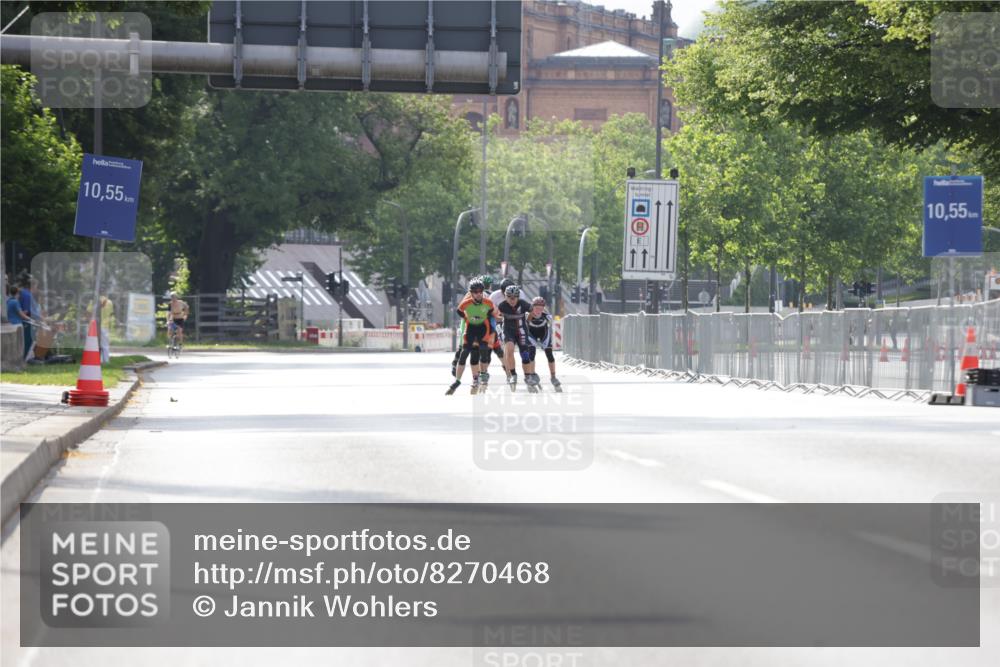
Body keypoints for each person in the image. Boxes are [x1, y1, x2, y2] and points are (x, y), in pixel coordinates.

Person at [448, 278, 496, 395]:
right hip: (470, 329)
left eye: (481, 292)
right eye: (475, 292)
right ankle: (457, 381)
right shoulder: (466, 303)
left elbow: (491, 314)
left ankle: (483, 374)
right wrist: (467, 318)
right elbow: (459, 311)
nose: (479, 294)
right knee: (464, 354)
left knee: (484, 351)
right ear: (471, 293)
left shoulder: (488, 303)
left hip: (483, 329)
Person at [496, 284, 532, 392]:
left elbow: (533, 311)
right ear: (505, 297)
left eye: (514, 298)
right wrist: (499, 322)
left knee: (525, 355)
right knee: (510, 350)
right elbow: (497, 316)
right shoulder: (502, 305)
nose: (512, 300)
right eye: (509, 298)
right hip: (508, 331)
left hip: (521, 331)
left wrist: (528, 321)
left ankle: (528, 376)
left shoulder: (523, 303)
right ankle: (513, 374)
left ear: (518, 297)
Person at [524, 296, 561, 391]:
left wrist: (548, 342)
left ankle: (553, 377)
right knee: (531, 354)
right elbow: (524, 324)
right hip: (531, 335)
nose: (538, 310)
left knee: (550, 355)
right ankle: (531, 374)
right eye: (536, 308)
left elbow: (551, 328)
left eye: (541, 308)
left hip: (544, 335)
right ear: (532, 307)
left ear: (543, 308)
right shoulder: (527, 315)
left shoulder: (547, 316)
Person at [7, 285, 29, 359]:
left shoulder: (7, 301)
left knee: (12, 343)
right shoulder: (15, 302)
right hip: (17, 325)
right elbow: (21, 314)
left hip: (9, 325)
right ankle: (19, 359)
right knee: (19, 344)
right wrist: (29, 319)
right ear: (17, 293)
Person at [18, 278, 34, 361]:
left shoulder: (22, 292)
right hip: (25, 321)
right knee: (28, 340)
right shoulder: (28, 295)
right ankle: (25, 358)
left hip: (19, 320)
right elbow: (25, 311)